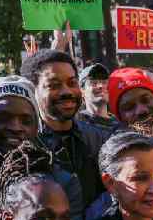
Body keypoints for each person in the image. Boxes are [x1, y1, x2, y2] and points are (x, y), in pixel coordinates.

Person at [0, 75, 85, 220]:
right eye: (3, 118)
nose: (15, 127)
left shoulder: (63, 181)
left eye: (26, 120)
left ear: (38, 127)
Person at [21, 49, 109, 209]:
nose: (66, 91)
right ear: (34, 91)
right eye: (54, 85)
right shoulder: (26, 147)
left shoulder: (99, 139)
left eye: (72, 83)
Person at [77, 63, 119, 131]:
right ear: (82, 91)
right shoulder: (76, 124)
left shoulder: (120, 125)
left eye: (104, 82)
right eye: (94, 82)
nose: (100, 86)